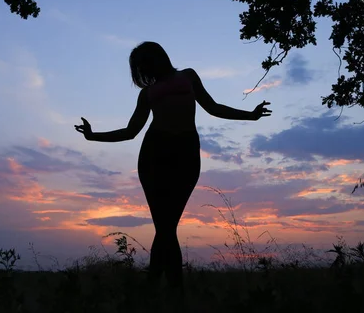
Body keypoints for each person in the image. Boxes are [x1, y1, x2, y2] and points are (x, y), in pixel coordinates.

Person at [74, 41, 272, 291]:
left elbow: (213, 107)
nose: (145, 68)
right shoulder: (147, 94)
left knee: (166, 227)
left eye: (147, 62)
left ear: (160, 58)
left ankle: (153, 289)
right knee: (166, 227)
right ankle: (170, 291)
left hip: (186, 153)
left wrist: (251, 115)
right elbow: (130, 131)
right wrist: (93, 136)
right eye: (140, 66)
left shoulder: (188, 76)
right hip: (155, 155)